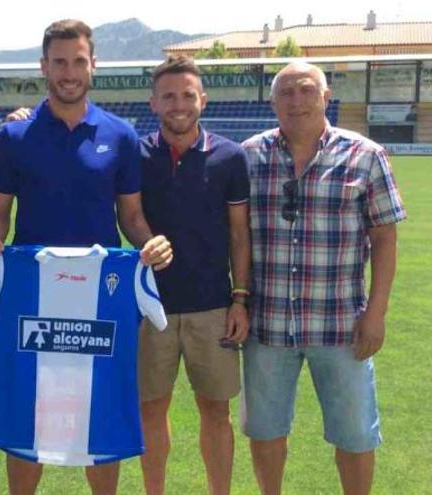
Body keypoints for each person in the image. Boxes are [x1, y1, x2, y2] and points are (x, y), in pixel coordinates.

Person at [0, 18, 172, 495]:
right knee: (28, 412)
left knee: (101, 415)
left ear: (92, 65)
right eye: (59, 62)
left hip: (101, 301)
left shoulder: (120, 135)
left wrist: (150, 242)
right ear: (44, 66)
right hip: (33, 297)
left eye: (78, 61)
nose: (69, 71)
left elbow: (132, 215)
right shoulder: (15, 138)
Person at [241, 62, 406, 495]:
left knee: (355, 434)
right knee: (265, 431)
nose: (296, 101)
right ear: (272, 101)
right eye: (286, 93)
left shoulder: (365, 155)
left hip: (341, 326)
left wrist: (377, 313)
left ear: (326, 96)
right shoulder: (249, 156)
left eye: (306, 90)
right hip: (268, 324)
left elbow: (385, 237)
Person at [137, 56, 250, 495]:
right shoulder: (138, 154)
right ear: (154, 103)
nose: (178, 104)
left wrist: (239, 298)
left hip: (212, 307)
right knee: (151, 409)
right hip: (150, 306)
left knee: (216, 412)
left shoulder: (229, 157)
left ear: (202, 99)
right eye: (168, 96)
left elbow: (240, 235)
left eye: (187, 95)